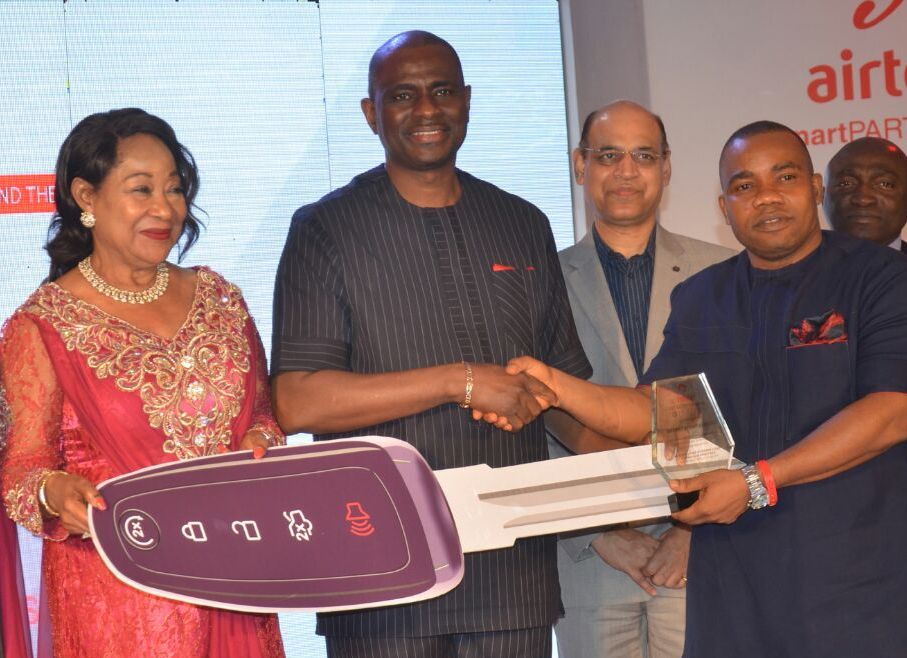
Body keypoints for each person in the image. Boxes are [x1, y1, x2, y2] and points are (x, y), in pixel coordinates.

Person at [505, 121, 907, 657]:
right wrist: (559, 388)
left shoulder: (880, 277)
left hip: (853, 582)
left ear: (814, 188)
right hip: (731, 587)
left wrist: (758, 481)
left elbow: (890, 412)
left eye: (783, 177)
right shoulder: (702, 295)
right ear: (724, 207)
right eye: (744, 186)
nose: (765, 196)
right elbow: (661, 410)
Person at [272, 30, 590, 658]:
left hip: (511, 575)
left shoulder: (523, 223)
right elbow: (297, 401)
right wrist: (460, 379)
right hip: (379, 573)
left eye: (442, 91)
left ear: (467, 101)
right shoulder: (324, 229)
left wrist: (654, 451)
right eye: (402, 96)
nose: (426, 111)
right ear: (371, 113)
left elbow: (564, 396)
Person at [0, 108, 286, 657]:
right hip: (122, 605)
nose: (165, 209)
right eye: (141, 189)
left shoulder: (221, 299)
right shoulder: (42, 326)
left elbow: (262, 418)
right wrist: (52, 491)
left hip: (235, 581)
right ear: (86, 196)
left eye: (175, 189)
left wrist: (262, 445)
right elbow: (19, 474)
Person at [548, 101, 733, 658]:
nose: (626, 172)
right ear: (581, 165)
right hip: (589, 558)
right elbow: (528, 418)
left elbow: (747, 406)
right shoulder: (541, 281)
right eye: (608, 156)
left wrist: (689, 531)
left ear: (667, 167)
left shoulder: (724, 272)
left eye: (643, 156)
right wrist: (595, 534)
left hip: (702, 556)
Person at [824, 136, 907, 252]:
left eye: (885, 184)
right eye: (846, 183)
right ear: (821, 195)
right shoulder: (794, 268)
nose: (863, 199)